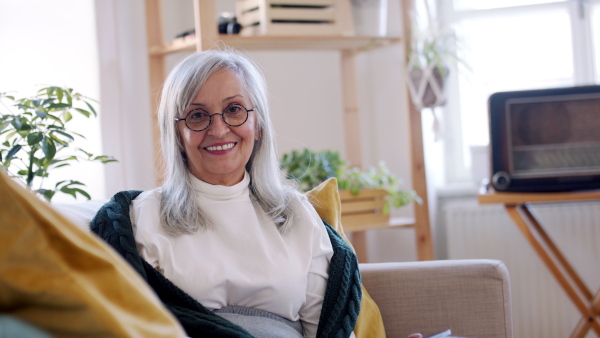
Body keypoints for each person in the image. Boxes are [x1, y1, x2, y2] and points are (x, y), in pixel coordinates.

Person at [91, 48, 361, 338]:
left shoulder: (295, 212)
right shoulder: (142, 217)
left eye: (234, 109)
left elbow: (325, 328)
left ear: (257, 125)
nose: (218, 130)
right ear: (178, 136)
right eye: (197, 115)